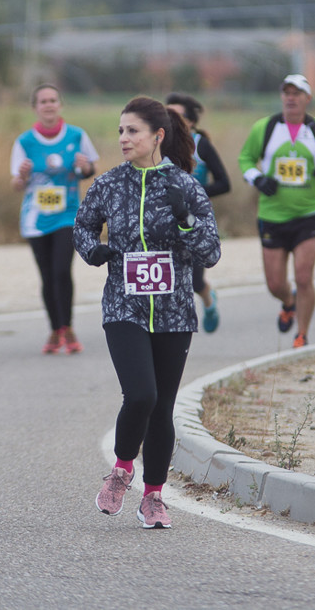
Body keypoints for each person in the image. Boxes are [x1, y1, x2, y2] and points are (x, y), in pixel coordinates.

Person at [75, 96, 221, 529]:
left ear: (157, 136)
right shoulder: (108, 184)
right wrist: (93, 250)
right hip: (124, 305)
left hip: (175, 310)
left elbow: (210, 253)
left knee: (162, 408)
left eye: (132, 131)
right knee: (141, 394)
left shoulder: (186, 187)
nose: (123, 138)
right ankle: (122, 471)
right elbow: (81, 227)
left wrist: (184, 221)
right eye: (120, 130)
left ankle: (154, 498)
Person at [237, 74, 315, 349]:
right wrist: (257, 178)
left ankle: (302, 335)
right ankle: (288, 301)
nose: (290, 98)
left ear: (307, 99)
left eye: (297, 93)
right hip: (272, 216)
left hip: (307, 214)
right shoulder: (265, 128)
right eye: (286, 93)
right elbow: (245, 159)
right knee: (275, 284)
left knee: (303, 277)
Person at [11, 83, 99, 354]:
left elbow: (90, 169)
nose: (48, 105)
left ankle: (68, 327)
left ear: (60, 104)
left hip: (67, 214)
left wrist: (85, 168)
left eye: (53, 100)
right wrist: (22, 176)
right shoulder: (24, 141)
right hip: (36, 219)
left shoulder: (76, 135)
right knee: (47, 275)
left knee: (62, 270)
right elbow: (15, 183)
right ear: (35, 108)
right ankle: (54, 329)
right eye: (43, 101)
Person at [165, 92, 230, 333]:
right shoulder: (158, 143)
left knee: (193, 280)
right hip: (165, 220)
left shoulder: (200, 145)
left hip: (194, 221)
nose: (171, 119)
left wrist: (194, 192)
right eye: (167, 113)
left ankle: (208, 299)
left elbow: (225, 183)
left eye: (177, 115)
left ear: (191, 121)